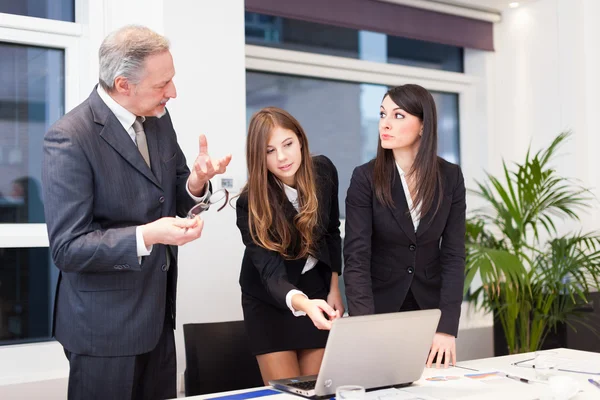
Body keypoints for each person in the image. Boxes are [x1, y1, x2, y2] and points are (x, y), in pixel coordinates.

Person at [41, 25, 231, 400]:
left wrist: (195, 183)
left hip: (158, 321)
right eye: (163, 84)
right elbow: (68, 248)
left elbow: (172, 194)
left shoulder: (159, 120)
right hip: (102, 332)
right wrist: (149, 235)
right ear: (123, 83)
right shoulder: (69, 137)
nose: (172, 93)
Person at [343, 84, 466, 369]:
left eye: (398, 116)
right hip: (378, 306)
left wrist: (446, 326)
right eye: (383, 114)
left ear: (424, 126)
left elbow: (453, 255)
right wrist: (364, 324)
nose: (385, 123)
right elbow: (356, 257)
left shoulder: (450, 177)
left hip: (429, 309)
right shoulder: (365, 178)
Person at [236, 107, 343, 385]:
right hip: (269, 299)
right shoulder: (250, 202)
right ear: (258, 156)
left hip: (315, 289)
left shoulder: (323, 172)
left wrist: (334, 289)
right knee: (288, 392)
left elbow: (332, 231)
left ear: (300, 141)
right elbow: (271, 275)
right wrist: (305, 305)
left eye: (287, 144)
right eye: (269, 151)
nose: (282, 157)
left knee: (317, 388)